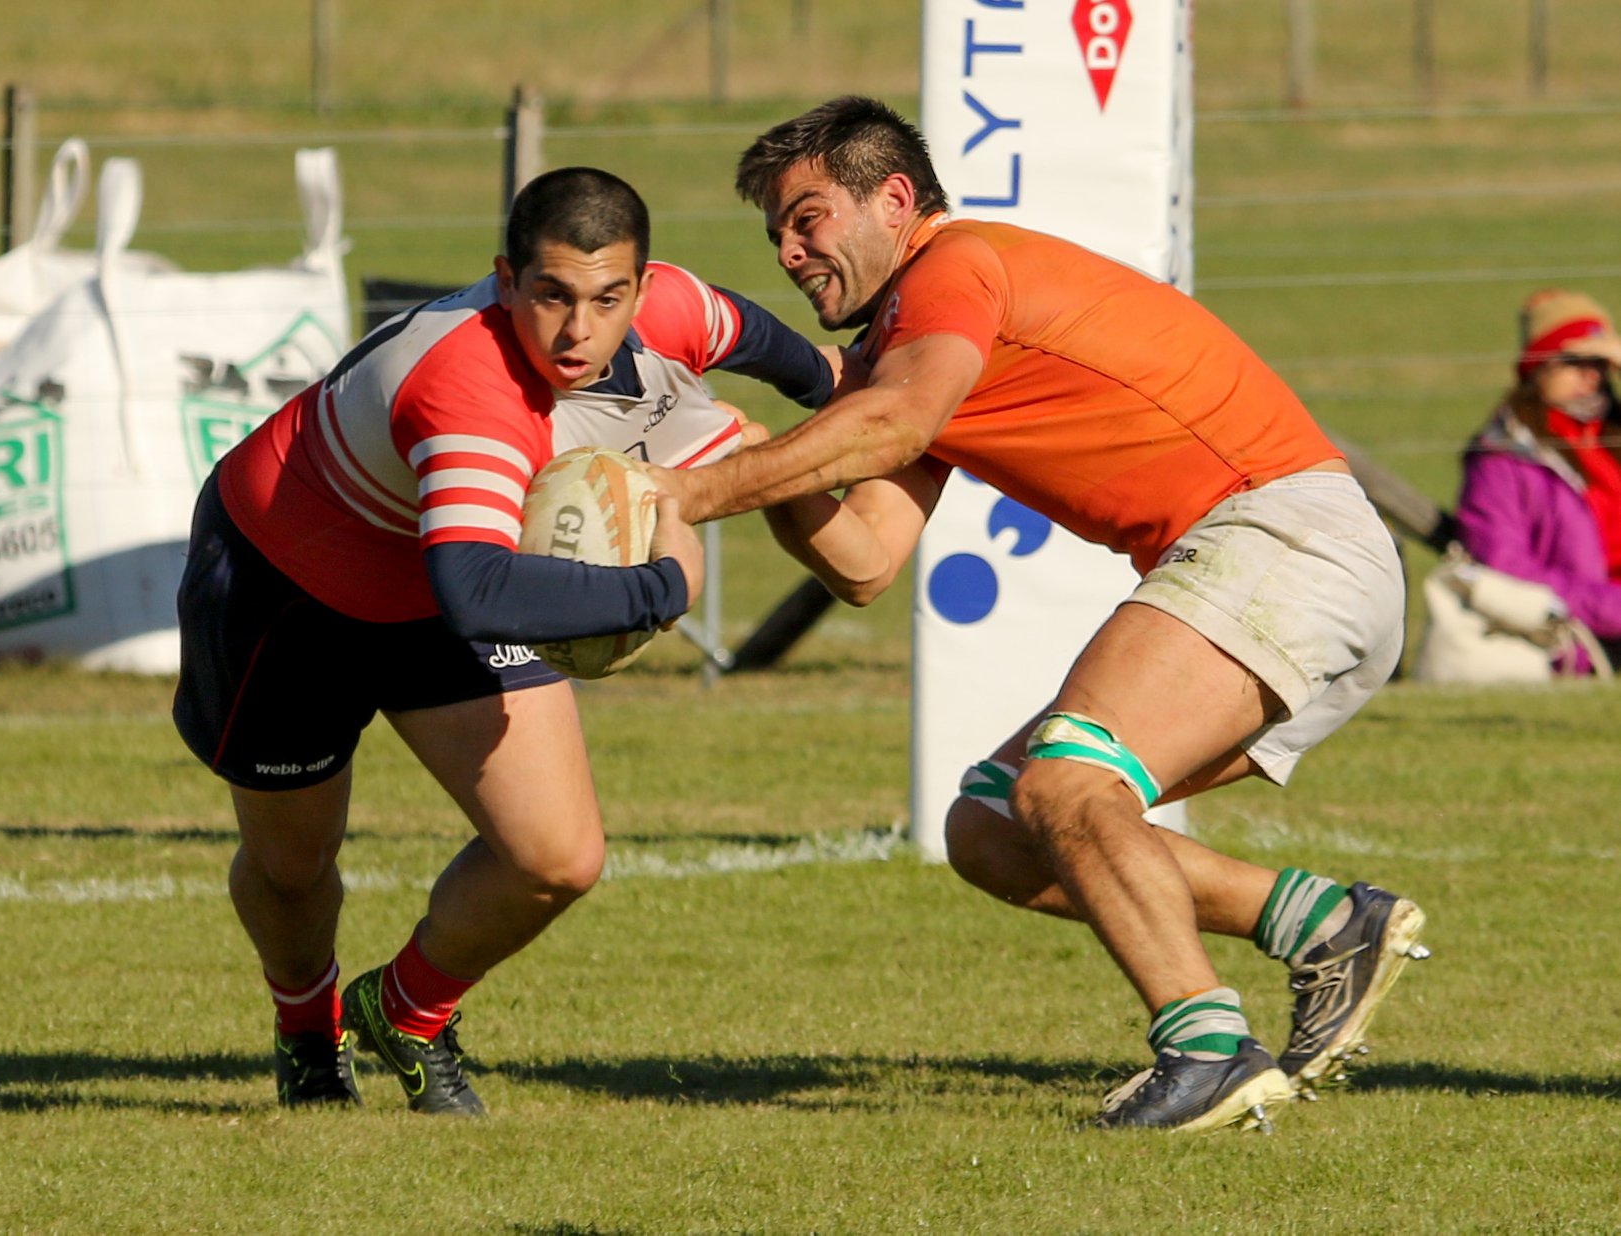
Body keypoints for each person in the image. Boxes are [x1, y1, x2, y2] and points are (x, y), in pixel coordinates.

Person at [653, 97, 1429, 1133]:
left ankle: (1206, 1053)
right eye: (776, 235)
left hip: (1277, 534)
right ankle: (1328, 925)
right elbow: (867, 559)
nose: (790, 252)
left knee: (1068, 780)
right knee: (992, 826)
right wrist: (743, 468)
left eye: (807, 218)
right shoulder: (911, 343)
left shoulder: (953, 270)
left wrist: (692, 497)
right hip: (1296, 566)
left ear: (894, 198)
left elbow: (895, 425)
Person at [173, 167, 840, 1112]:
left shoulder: (670, 305)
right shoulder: (468, 389)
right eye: (551, 297)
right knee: (293, 866)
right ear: (503, 279)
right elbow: (479, 590)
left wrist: (830, 379)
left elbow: (749, 330)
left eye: (608, 299)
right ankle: (307, 1030)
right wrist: (660, 587)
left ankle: (402, 1009)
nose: (578, 331)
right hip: (288, 585)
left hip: (444, 577)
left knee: (555, 856)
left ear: (644, 290)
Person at [1453, 288, 1621, 669]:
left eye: (1602, 362)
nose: (1590, 376)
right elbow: (1505, 568)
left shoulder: (1608, 434)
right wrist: (1612, 608)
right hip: (1575, 644)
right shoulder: (1503, 458)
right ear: (1537, 367)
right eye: (1574, 360)